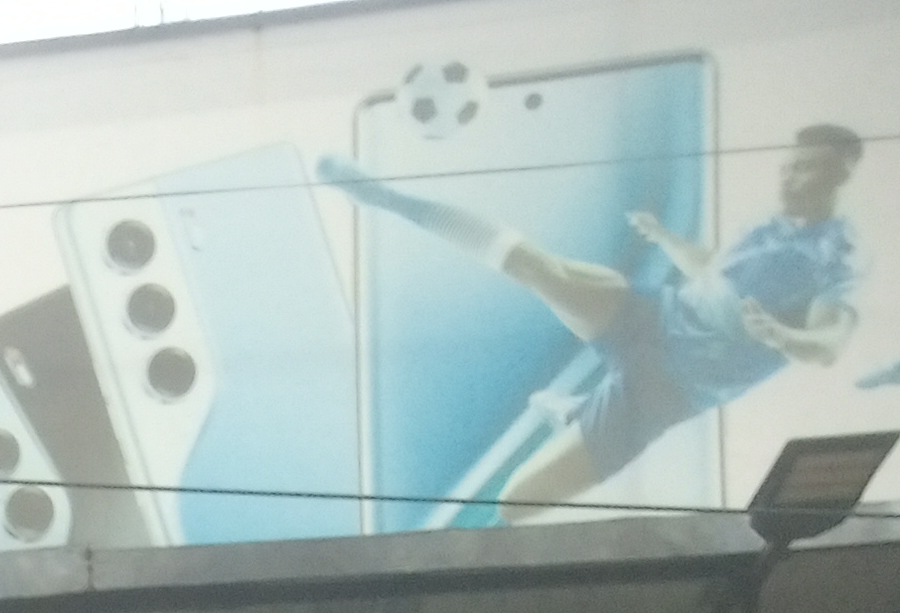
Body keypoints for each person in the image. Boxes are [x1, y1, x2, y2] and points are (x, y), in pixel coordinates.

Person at [324, 124, 865, 519]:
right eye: (789, 163)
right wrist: (668, 239)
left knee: (516, 504)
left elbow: (830, 343)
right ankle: (386, 197)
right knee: (538, 268)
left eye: (806, 167)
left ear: (839, 174)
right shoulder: (770, 223)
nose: (789, 175)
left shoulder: (837, 253)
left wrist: (783, 336)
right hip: (654, 316)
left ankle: (574, 415)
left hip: (668, 388)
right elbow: (715, 275)